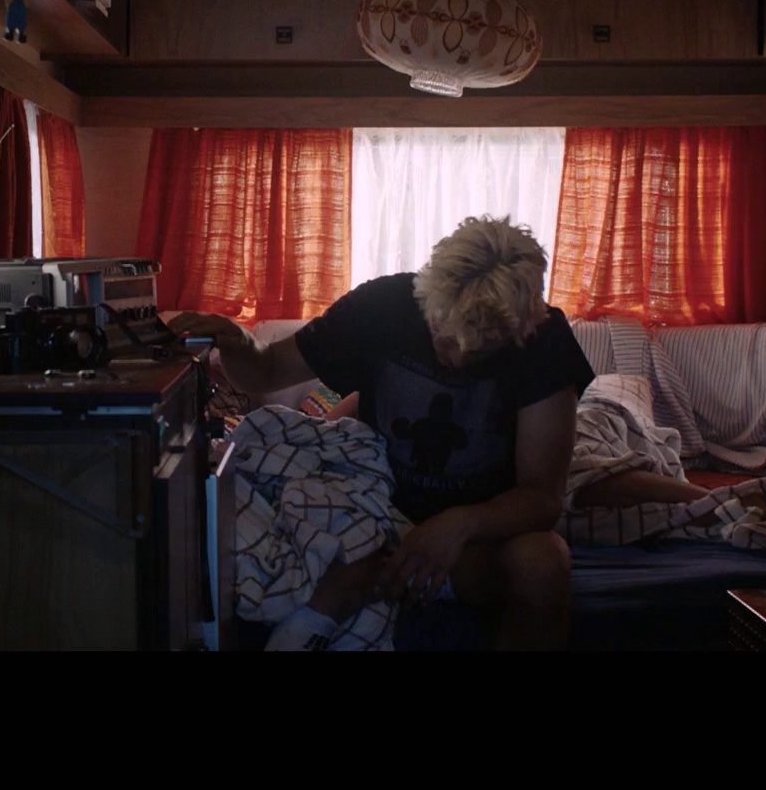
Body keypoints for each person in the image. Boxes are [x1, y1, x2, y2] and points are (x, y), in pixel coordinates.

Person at [173, 214, 593, 651]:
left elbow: (543, 498)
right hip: (371, 509)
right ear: (427, 295)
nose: (456, 357)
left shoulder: (545, 340)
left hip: (475, 538)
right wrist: (239, 343)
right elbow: (267, 369)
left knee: (544, 562)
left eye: (480, 348)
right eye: (444, 336)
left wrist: (460, 525)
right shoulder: (383, 306)